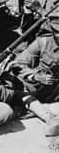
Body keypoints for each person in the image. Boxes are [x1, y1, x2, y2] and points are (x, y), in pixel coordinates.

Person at [10, 11, 59, 139]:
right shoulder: (43, 42)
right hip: (41, 89)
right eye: (57, 32)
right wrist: (36, 76)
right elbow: (18, 64)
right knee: (16, 90)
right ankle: (48, 118)